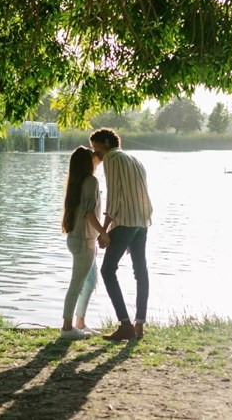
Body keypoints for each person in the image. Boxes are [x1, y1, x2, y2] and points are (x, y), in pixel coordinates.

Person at [89, 128, 153, 341]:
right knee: (140, 271)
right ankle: (140, 325)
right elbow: (142, 194)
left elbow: (114, 198)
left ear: (106, 142)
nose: (95, 153)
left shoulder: (112, 159)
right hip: (141, 222)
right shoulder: (135, 159)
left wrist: (106, 230)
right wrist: (135, 228)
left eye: (96, 147)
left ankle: (125, 325)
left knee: (108, 271)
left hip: (125, 222)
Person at [60, 146, 111, 339]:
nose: (95, 159)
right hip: (84, 241)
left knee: (90, 281)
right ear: (86, 163)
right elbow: (89, 213)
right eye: (92, 157)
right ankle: (67, 327)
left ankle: (79, 322)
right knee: (78, 283)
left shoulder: (75, 181)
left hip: (79, 239)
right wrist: (104, 233)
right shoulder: (91, 181)